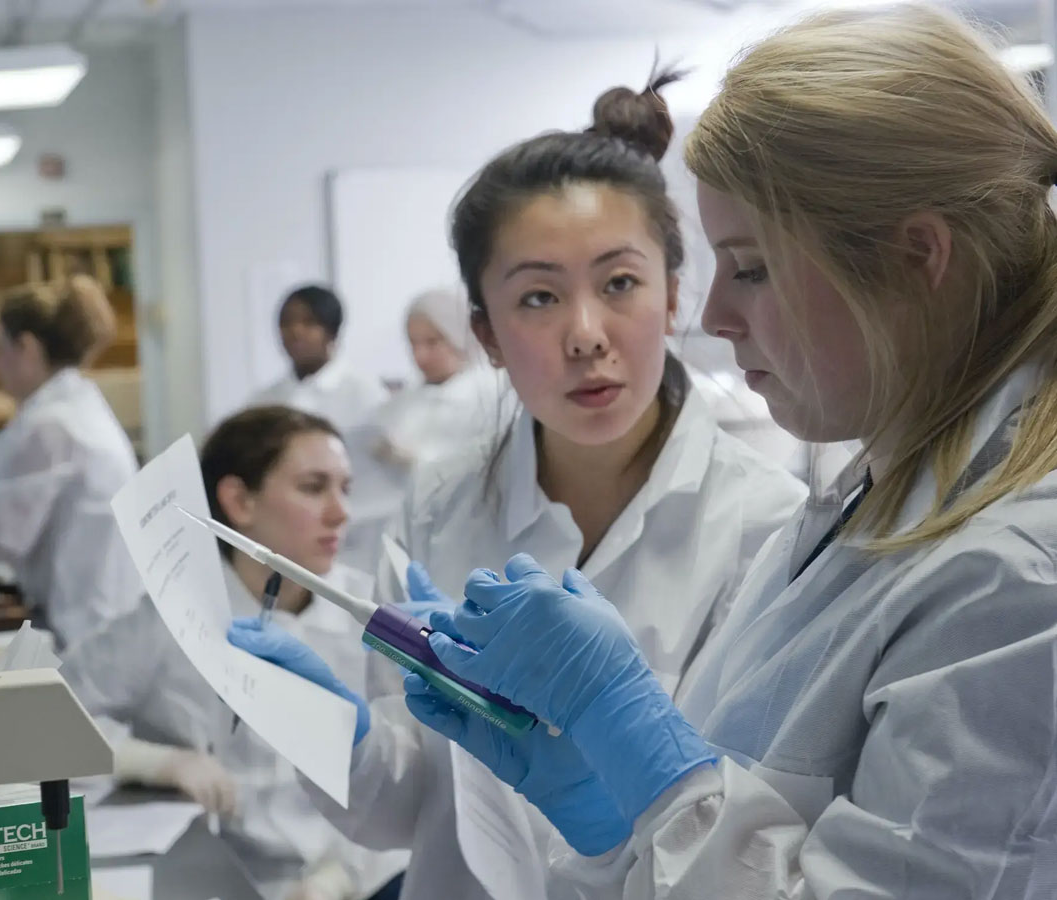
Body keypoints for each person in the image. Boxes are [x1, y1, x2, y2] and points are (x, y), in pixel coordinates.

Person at [392, 7, 1057, 897]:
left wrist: (647, 761)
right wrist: (609, 811)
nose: (713, 319)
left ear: (914, 258)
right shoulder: (868, 492)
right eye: (538, 299)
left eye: (752, 267)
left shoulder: (1017, 583)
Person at [230, 71, 807, 899]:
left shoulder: (767, 528)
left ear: (675, 294)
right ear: (486, 336)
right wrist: (336, 732)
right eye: (538, 297)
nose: (585, 336)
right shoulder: (442, 501)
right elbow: (409, 808)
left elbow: (755, 857)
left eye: (619, 284)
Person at [61, 407, 407, 900]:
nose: (341, 512)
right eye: (314, 487)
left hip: (350, 880)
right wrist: (156, 762)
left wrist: (339, 878)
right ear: (239, 501)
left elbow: (408, 782)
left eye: (345, 488)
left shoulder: (370, 621)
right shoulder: (170, 616)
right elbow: (51, 716)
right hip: (208, 877)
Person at [0, 276, 142, 649]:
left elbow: (4, 537)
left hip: (81, 627)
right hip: (96, 614)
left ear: (27, 347)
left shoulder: (54, 424)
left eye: (2, 349)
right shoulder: (71, 405)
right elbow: (7, 489)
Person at [373, 287, 501, 470]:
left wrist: (417, 462)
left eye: (432, 342)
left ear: (460, 338)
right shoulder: (404, 400)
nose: (419, 356)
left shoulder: (493, 399)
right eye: (413, 343)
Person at [251, 284, 389, 432]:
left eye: (309, 323)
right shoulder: (264, 401)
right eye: (286, 322)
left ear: (332, 332)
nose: (295, 331)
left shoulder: (367, 396)